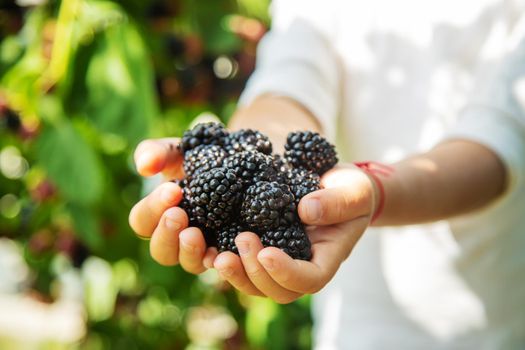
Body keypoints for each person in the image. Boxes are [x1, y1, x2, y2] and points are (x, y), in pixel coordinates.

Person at [129, 0, 525, 348]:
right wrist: (250, 145)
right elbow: (291, 78)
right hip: (351, 324)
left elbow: (497, 145)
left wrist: (373, 191)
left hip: (493, 321)